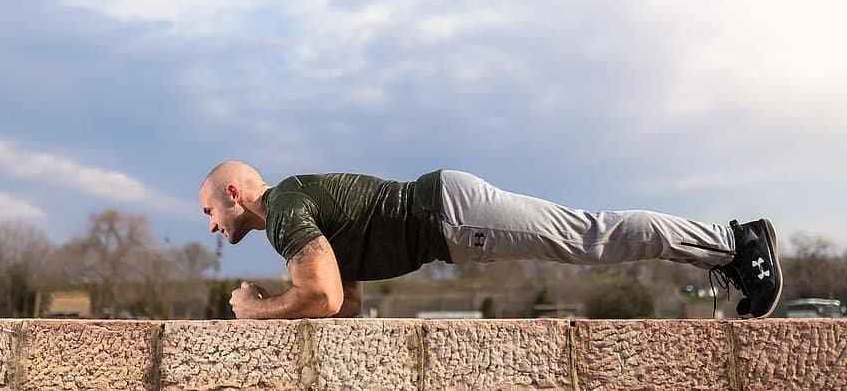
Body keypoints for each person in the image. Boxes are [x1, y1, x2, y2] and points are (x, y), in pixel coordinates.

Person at [198, 161, 782, 320]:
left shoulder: (282, 212)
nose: (211, 227)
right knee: (588, 236)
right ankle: (732, 244)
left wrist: (257, 309)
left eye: (209, 211)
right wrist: (291, 299)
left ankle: (736, 243)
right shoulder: (296, 210)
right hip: (449, 214)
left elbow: (321, 298)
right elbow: (345, 302)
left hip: (451, 216)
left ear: (233, 192)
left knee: (590, 237)